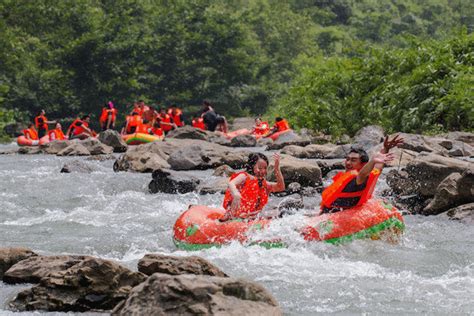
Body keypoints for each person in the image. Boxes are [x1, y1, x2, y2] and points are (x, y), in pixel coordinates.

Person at [320, 135, 404, 214]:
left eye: (353, 160)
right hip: (332, 214)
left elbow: (362, 174)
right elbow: (378, 167)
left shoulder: (359, 179)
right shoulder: (350, 176)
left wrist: (373, 161)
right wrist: (386, 148)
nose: (348, 163)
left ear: (363, 164)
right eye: (347, 159)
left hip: (338, 216)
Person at [220, 152, 285, 221]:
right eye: (260, 168)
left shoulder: (264, 184)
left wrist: (277, 168)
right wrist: (236, 194)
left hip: (251, 218)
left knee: (279, 212)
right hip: (236, 219)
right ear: (252, 166)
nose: (263, 171)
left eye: (265, 168)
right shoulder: (244, 176)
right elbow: (231, 183)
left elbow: (280, 187)